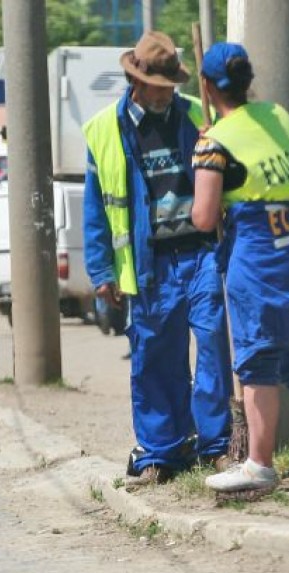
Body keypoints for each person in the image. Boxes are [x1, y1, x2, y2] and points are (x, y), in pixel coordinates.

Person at [190, 42, 289, 493]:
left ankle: (259, 463)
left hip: (260, 260)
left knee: (257, 361)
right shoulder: (277, 116)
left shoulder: (214, 143)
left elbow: (203, 216)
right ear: (247, 80)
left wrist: (206, 149)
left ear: (206, 86)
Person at [82, 31, 233, 484]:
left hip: (202, 254)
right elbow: (96, 209)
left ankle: (216, 446)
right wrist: (100, 270)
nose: (168, 94)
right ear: (138, 82)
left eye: (172, 86)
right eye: (161, 86)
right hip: (149, 265)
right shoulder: (104, 131)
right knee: (153, 357)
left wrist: (218, 142)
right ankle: (161, 451)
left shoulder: (194, 117)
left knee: (212, 346)